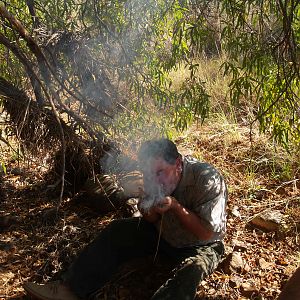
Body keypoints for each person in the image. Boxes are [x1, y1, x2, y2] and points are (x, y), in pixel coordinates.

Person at [24, 138, 227, 300]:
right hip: (163, 237)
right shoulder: (152, 180)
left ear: (178, 164)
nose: (154, 180)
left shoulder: (206, 178)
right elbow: (149, 220)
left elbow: (206, 233)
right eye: (149, 173)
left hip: (199, 246)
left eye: (160, 172)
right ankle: (70, 290)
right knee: (117, 231)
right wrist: (150, 207)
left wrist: (175, 206)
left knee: (191, 271)